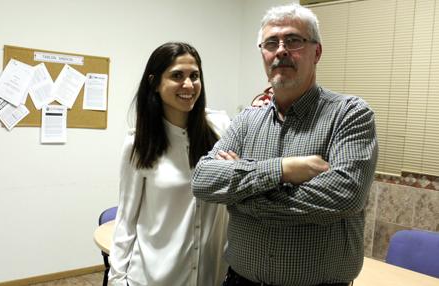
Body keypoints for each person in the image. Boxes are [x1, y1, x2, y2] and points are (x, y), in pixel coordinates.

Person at [192, 3, 378, 286]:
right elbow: (203, 180)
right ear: (263, 54)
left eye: (293, 40)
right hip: (240, 281)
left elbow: (345, 195)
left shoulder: (350, 114)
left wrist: (242, 197)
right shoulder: (246, 121)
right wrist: (282, 170)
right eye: (271, 43)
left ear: (316, 52)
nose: (281, 50)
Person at [108, 42, 230, 286]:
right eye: (177, 76)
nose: (188, 85)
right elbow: (126, 220)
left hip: (209, 276)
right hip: (153, 277)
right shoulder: (138, 144)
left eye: (194, 76)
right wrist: (117, 279)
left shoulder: (221, 130)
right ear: (154, 82)